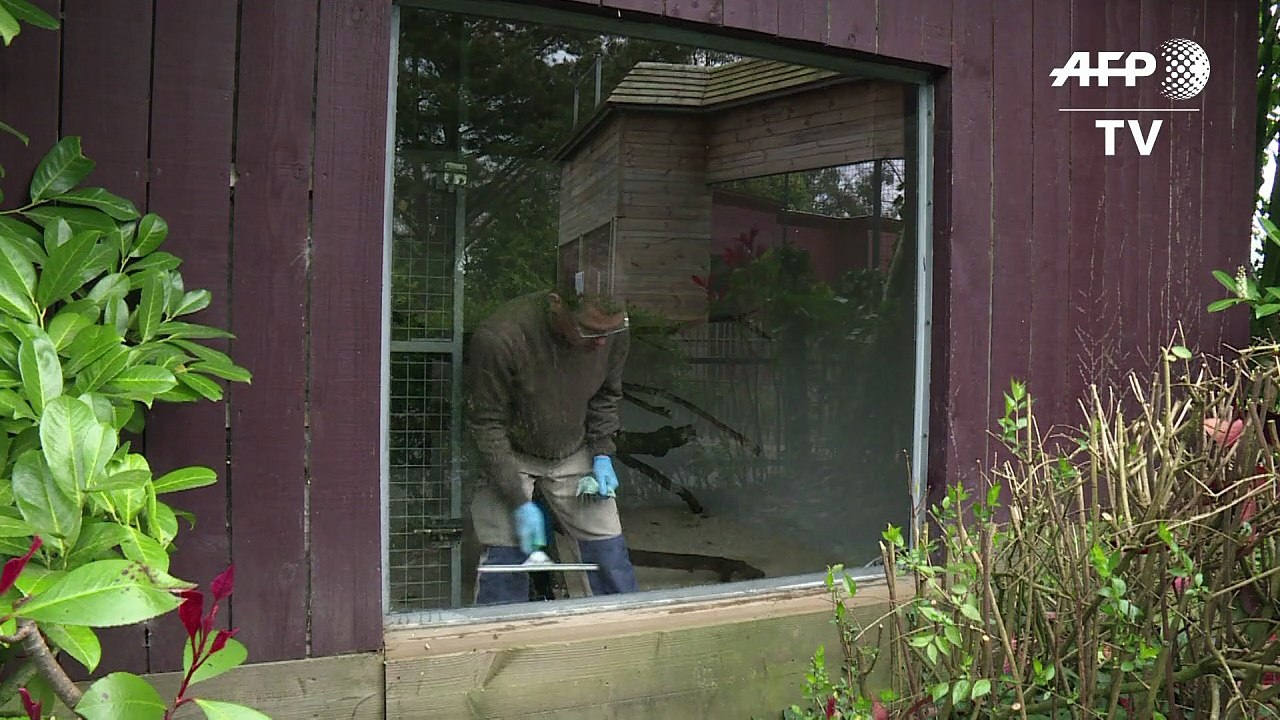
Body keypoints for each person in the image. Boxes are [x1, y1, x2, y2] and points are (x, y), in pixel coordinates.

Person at [465, 286, 639, 605]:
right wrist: (517, 500)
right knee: (505, 563)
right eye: (589, 331)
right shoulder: (501, 337)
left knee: (609, 555)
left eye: (611, 330)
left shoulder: (612, 329)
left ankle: (618, 641)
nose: (602, 342)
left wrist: (602, 453)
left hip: (576, 449)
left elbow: (606, 395)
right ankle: (498, 647)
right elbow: (487, 424)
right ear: (556, 304)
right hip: (510, 450)